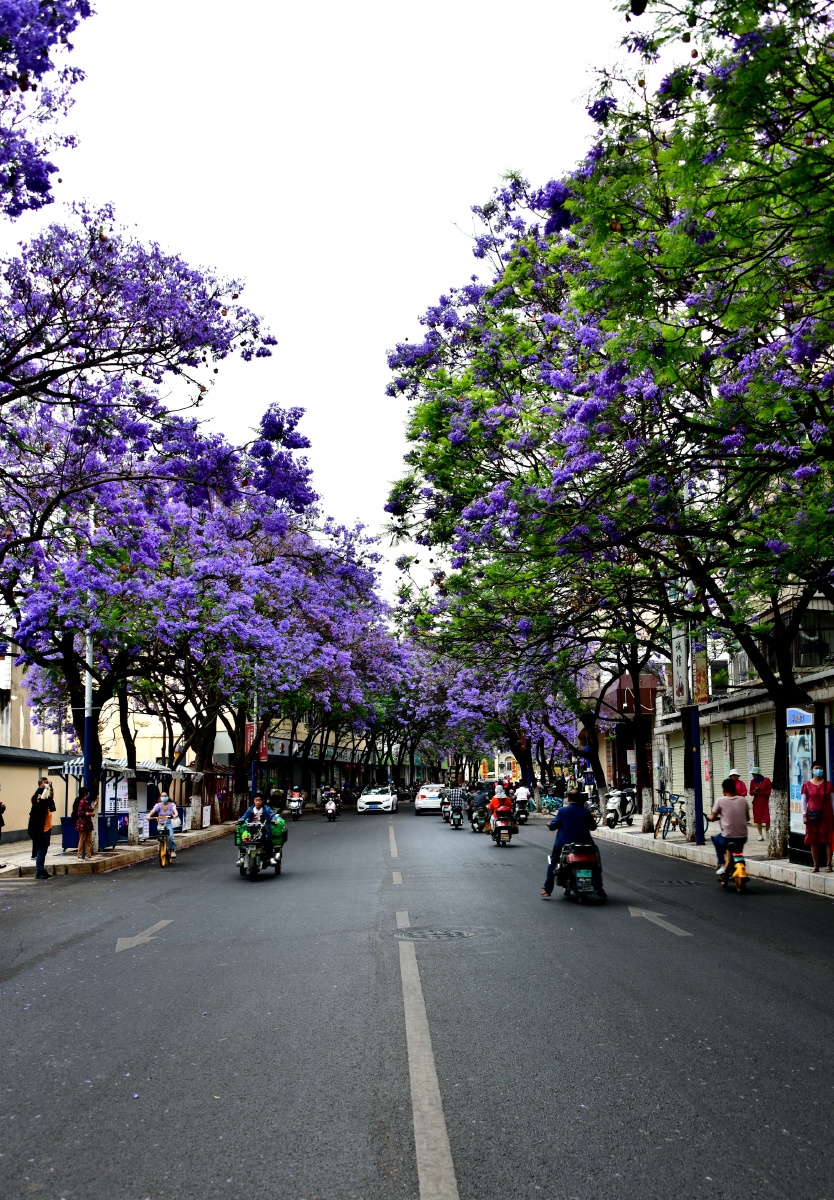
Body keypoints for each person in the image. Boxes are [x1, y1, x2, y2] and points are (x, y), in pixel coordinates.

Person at [541, 788, 605, 899]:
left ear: (568, 799)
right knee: (595, 865)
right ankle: (600, 889)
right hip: (585, 845)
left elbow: (552, 826)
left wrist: (550, 824)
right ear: (580, 799)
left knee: (553, 862)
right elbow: (593, 827)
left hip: (565, 845)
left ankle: (547, 889)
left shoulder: (562, 811)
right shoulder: (585, 812)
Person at [709, 778, 750, 876]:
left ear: (723, 790)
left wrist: (708, 817)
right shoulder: (743, 800)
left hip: (727, 837)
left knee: (716, 840)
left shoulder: (720, 800)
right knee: (738, 848)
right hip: (743, 837)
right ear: (735, 788)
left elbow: (713, 817)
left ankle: (722, 864)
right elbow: (748, 818)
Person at [801, 760, 834, 873]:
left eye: (820, 768)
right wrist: (804, 815)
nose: (818, 770)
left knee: (828, 841)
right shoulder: (806, 785)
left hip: (827, 816)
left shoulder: (829, 785)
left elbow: (832, 801)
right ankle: (816, 865)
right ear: (812, 770)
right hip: (812, 816)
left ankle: (829, 864)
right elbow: (803, 802)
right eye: (816, 768)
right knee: (813, 841)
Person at [237, 793, 283, 865]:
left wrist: (274, 820)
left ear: (262, 801)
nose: (257, 802)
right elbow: (244, 816)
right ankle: (242, 856)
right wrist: (240, 820)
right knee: (243, 839)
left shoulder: (267, 808)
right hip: (251, 829)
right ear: (254, 801)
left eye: (259, 800)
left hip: (264, 828)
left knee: (267, 839)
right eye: (256, 800)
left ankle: (271, 857)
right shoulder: (250, 809)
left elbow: (272, 815)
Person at [28, 778, 56, 879]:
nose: (40, 798)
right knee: (41, 851)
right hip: (41, 832)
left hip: (47, 831)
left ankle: (41, 869)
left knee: (43, 851)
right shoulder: (37, 807)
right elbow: (44, 797)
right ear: (35, 800)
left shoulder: (43, 806)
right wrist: (46, 786)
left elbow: (49, 797)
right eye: (38, 798)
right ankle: (39, 871)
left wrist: (50, 787)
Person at [148, 792, 178, 860]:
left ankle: (172, 850)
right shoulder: (158, 805)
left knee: (170, 836)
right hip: (160, 823)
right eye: (162, 796)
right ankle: (161, 844)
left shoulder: (171, 805)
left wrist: (175, 814)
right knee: (159, 834)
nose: (164, 797)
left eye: (165, 796)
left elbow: (175, 811)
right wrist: (149, 816)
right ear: (160, 797)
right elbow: (153, 811)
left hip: (169, 823)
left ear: (167, 797)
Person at [749, 766, 772, 840]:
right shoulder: (752, 781)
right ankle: (760, 834)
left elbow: (770, 791)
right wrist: (754, 791)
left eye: (754, 774)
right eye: (752, 774)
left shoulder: (766, 780)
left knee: (767, 818)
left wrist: (762, 792)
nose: (753, 775)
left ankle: (768, 833)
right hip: (757, 802)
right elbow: (750, 792)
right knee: (758, 819)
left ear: (758, 774)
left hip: (765, 802)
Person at [74, 786, 95, 861]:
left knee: (88, 839)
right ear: (85, 793)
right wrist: (90, 814)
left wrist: (94, 804)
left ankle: (88, 854)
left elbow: (90, 808)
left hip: (87, 823)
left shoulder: (85, 801)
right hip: (83, 823)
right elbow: (80, 813)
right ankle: (79, 855)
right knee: (82, 839)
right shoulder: (82, 802)